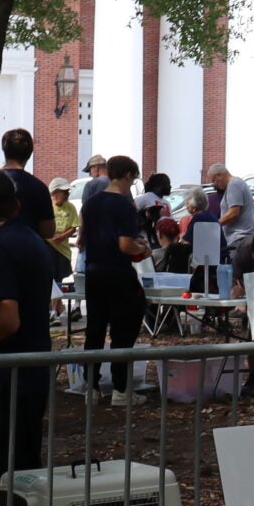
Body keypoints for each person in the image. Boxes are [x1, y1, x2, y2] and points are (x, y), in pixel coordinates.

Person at [0, 169, 57, 475]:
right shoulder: (32, 240)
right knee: (24, 457)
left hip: (9, 373)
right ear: (17, 205)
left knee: (4, 461)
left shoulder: (1, 250)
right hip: (32, 363)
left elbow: (7, 320)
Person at [78, 156, 149, 391]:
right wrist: (143, 249)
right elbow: (126, 245)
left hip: (94, 271)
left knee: (95, 330)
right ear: (128, 175)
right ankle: (121, 387)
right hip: (118, 272)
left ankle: (91, 386)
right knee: (123, 330)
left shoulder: (90, 204)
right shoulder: (124, 205)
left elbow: (83, 237)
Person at [0, 128, 57, 241]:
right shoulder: (39, 188)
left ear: (4, 150)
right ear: (30, 153)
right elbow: (48, 231)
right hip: (28, 249)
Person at [207, 163, 254, 261]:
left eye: (213, 180)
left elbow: (234, 212)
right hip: (240, 238)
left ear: (220, 175)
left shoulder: (234, 185)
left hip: (239, 238)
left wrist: (215, 225)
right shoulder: (235, 184)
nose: (214, 184)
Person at [47, 179, 80, 264]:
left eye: (68, 192)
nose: (67, 195)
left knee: (60, 275)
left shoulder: (70, 207)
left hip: (63, 251)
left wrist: (62, 236)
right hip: (47, 248)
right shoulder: (46, 205)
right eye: (65, 192)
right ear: (55, 193)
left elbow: (74, 227)